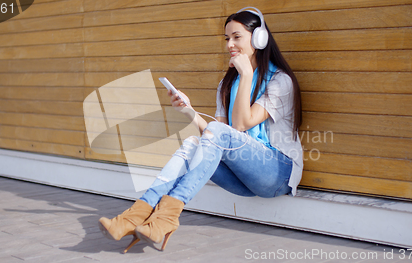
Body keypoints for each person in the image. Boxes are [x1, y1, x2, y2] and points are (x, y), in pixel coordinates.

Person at [98, 7, 303, 253]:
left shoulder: (281, 81)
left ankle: (163, 219)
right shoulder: (227, 84)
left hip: (277, 174)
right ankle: (137, 216)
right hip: (244, 176)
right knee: (193, 144)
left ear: (259, 38)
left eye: (237, 37)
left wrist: (247, 74)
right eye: (227, 38)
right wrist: (190, 112)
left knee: (216, 132)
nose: (230, 44)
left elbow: (238, 126)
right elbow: (219, 137)